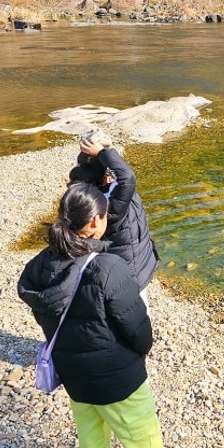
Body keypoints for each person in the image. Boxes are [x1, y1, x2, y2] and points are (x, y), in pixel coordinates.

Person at [18, 182, 180, 448]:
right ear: (95, 222)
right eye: (106, 216)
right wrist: (141, 351)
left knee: (90, 426)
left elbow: (42, 309)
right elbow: (135, 324)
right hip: (114, 371)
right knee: (139, 424)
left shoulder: (39, 264)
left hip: (71, 368)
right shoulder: (108, 266)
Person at [68, 133, 159, 313]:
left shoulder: (87, 201)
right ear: (106, 178)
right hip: (133, 268)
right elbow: (126, 177)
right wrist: (102, 152)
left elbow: (120, 176)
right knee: (135, 311)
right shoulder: (110, 204)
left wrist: (97, 153)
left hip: (127, 263)